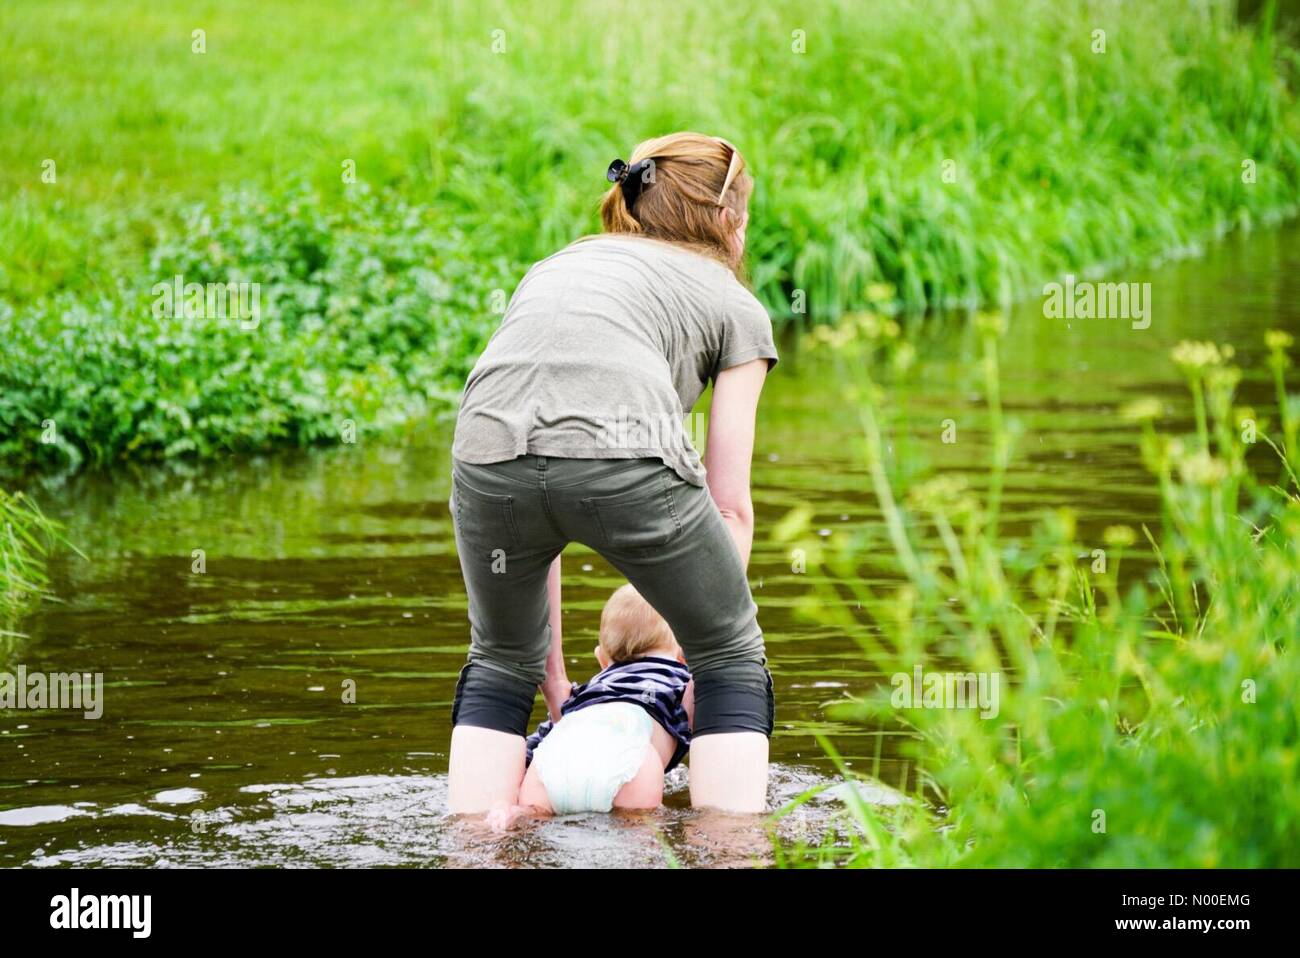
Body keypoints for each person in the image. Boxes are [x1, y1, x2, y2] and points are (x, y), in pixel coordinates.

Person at [447, 131, 777, 814]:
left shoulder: (557, 265)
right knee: (733, 654)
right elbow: (730, 509)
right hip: (628, 455)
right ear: (728, 221)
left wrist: (560, 687)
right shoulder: (736, 303)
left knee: (499, 658)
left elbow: (539, 518)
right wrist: (703, 659)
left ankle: (472, 848)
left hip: (484, 452)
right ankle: (729, 853)